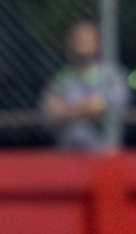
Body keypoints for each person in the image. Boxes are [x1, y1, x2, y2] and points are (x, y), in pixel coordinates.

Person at [40, 19, 131, 151]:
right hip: (68, 157)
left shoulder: (111, 75)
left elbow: (99, 107)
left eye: (87, 38)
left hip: (103, 156)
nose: (82, 42)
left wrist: (67, 111)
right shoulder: (62, 77)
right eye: (78, 38)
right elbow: (50, 112)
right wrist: (82, 110)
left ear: (97, 43)